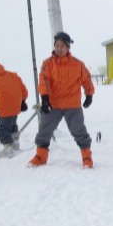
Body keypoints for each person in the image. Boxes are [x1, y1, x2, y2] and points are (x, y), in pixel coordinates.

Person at [28, 31, 95, 169]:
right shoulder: (48, 63)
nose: (59, 49)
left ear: (68, 48)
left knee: (79, 130)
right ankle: (41, 156)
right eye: (57, 46)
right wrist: (45, 99)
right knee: (44, 131)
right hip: (53, 105)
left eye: (62, 46)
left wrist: (89, 95)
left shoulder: (78, 64)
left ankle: (86, 156)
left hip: (72, 105)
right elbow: (43, 81)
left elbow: (86, 80)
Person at [0, 54, 29, 157]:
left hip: (4, 106)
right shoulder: (12, 75)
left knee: (2, 129)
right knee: (12, 124)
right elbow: (23, 90)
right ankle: (15, 143)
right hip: (16, 105)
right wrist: (23, 101)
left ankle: (8, 148)